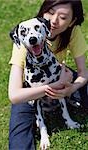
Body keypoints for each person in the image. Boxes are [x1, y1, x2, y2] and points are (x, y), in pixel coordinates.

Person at [8, 0, 88, 149]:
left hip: (58, 74)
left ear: (72, 21)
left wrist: (70, 88)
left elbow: (84, 73)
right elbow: (14, 95)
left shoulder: (73, 31)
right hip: (30, 92)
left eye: (63, 17)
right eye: (50, 13)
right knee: (19, 141)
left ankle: (69, 104)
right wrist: (54, 87)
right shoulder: (24, 37)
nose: (54, 21)